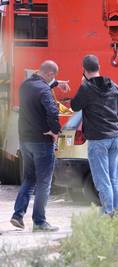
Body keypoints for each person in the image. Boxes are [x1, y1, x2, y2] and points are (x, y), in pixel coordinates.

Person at [71, 55, 118, 215]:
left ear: (84, 69)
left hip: (98, 139)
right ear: (99, 66)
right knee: (114, 178)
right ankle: (115, 211)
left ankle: (108, 213)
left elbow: (75, 106)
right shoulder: (114, 86)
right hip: (114, 137)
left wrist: (82, 85)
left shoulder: (86, 88)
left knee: (102, 179)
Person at [10, 60, 61, 232]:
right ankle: (39, 222)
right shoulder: (44, 89)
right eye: (53, 77)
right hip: (42, 142)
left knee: (29, 179)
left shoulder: (25, 85)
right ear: (50, 74)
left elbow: (38, 93)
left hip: (25, 141)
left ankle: (17, 215)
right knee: (44, 183)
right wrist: (55, 131)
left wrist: (56, 84)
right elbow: (53, 111)